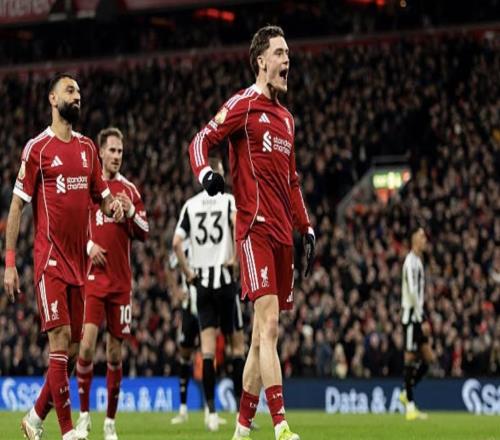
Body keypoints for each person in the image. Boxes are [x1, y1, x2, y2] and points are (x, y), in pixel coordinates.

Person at [188, 26, 315, 440]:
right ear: (261, 61)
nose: (287, 59)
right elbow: (200, 141)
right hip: (253, 230)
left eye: (288, 52)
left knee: (261, 338)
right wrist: (206, 174)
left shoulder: (287, 119)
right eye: (280, 53)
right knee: (269, 326)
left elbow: (293, 182)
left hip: (282, 237)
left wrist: (306, 227)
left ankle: (241, 429)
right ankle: (281, 425)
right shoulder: (242, 105)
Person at [3, 73, 123, 440]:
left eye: (79, 92)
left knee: (71, 352)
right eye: (70, 90)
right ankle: (68, 431)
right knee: (60, 341)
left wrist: (115, 206)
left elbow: (103, 197)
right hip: (50, 260)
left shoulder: (88, 149)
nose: (77, 96)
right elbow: (16, 207)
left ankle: (34, 418)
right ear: (53, 99)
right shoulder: (37, 149)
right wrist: (10, 263)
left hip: (78, 266)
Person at [74, 127, 149, 440]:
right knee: (86, 345)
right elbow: (72, 226)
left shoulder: (129, 190)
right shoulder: (89, 187)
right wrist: (88, 246)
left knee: (115, 353)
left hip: (121, 284)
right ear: (101, 152)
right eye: (112, 150)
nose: (117, 156)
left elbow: (144, 231)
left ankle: (109, 422)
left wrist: (130, 211)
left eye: (120, 151)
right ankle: (83, 417)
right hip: (93, 280)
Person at [170, 157, 245, 431]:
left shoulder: (190, 205)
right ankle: (241, 414)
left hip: (202, 284)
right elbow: (238, 225)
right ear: (220, 174)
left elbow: (176, 243)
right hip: (224, 280)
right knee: (237, 348)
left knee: (208, 351)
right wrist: (236, 259)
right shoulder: (228, 201)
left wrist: (188, 273)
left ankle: (211, 413)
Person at [399, 226, 435, 420]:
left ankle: (406, 392)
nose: (425, 239)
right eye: (421, 236)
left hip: (418, 316)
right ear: (413, 239)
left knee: (428, 360)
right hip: (412, 318)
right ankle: (410, 407)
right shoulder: (410, 262)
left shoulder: (418, 261)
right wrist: (422, 319)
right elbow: (413, 292)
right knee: (410, 359)